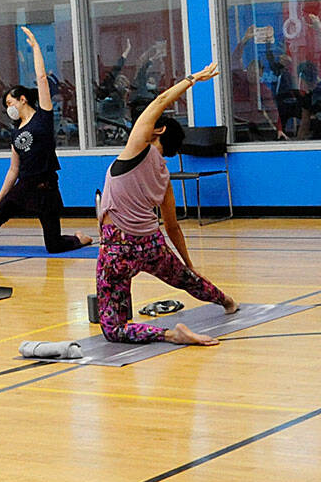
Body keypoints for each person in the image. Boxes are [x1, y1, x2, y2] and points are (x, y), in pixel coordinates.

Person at [95, 63, 238, 345]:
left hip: (117, 248)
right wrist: (188, 265)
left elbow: (160, 101)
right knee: (188, 280)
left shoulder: (137, 149)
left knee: (114, 329)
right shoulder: (165, 178)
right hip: (151, 245)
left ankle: (171, 335)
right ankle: (228, 301)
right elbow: (172, 227)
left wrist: (192, 79)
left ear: (158, 129)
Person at [0, 26, 91, 255]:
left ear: (23, 100)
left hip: (46, 187)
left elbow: (42, 79)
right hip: (24, 185)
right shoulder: (15, 132)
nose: (8, 108)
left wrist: (36, 48)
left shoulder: (43, 117)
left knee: (53, 245)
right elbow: (13, 169)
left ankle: (79, 238)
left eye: (10, 103)